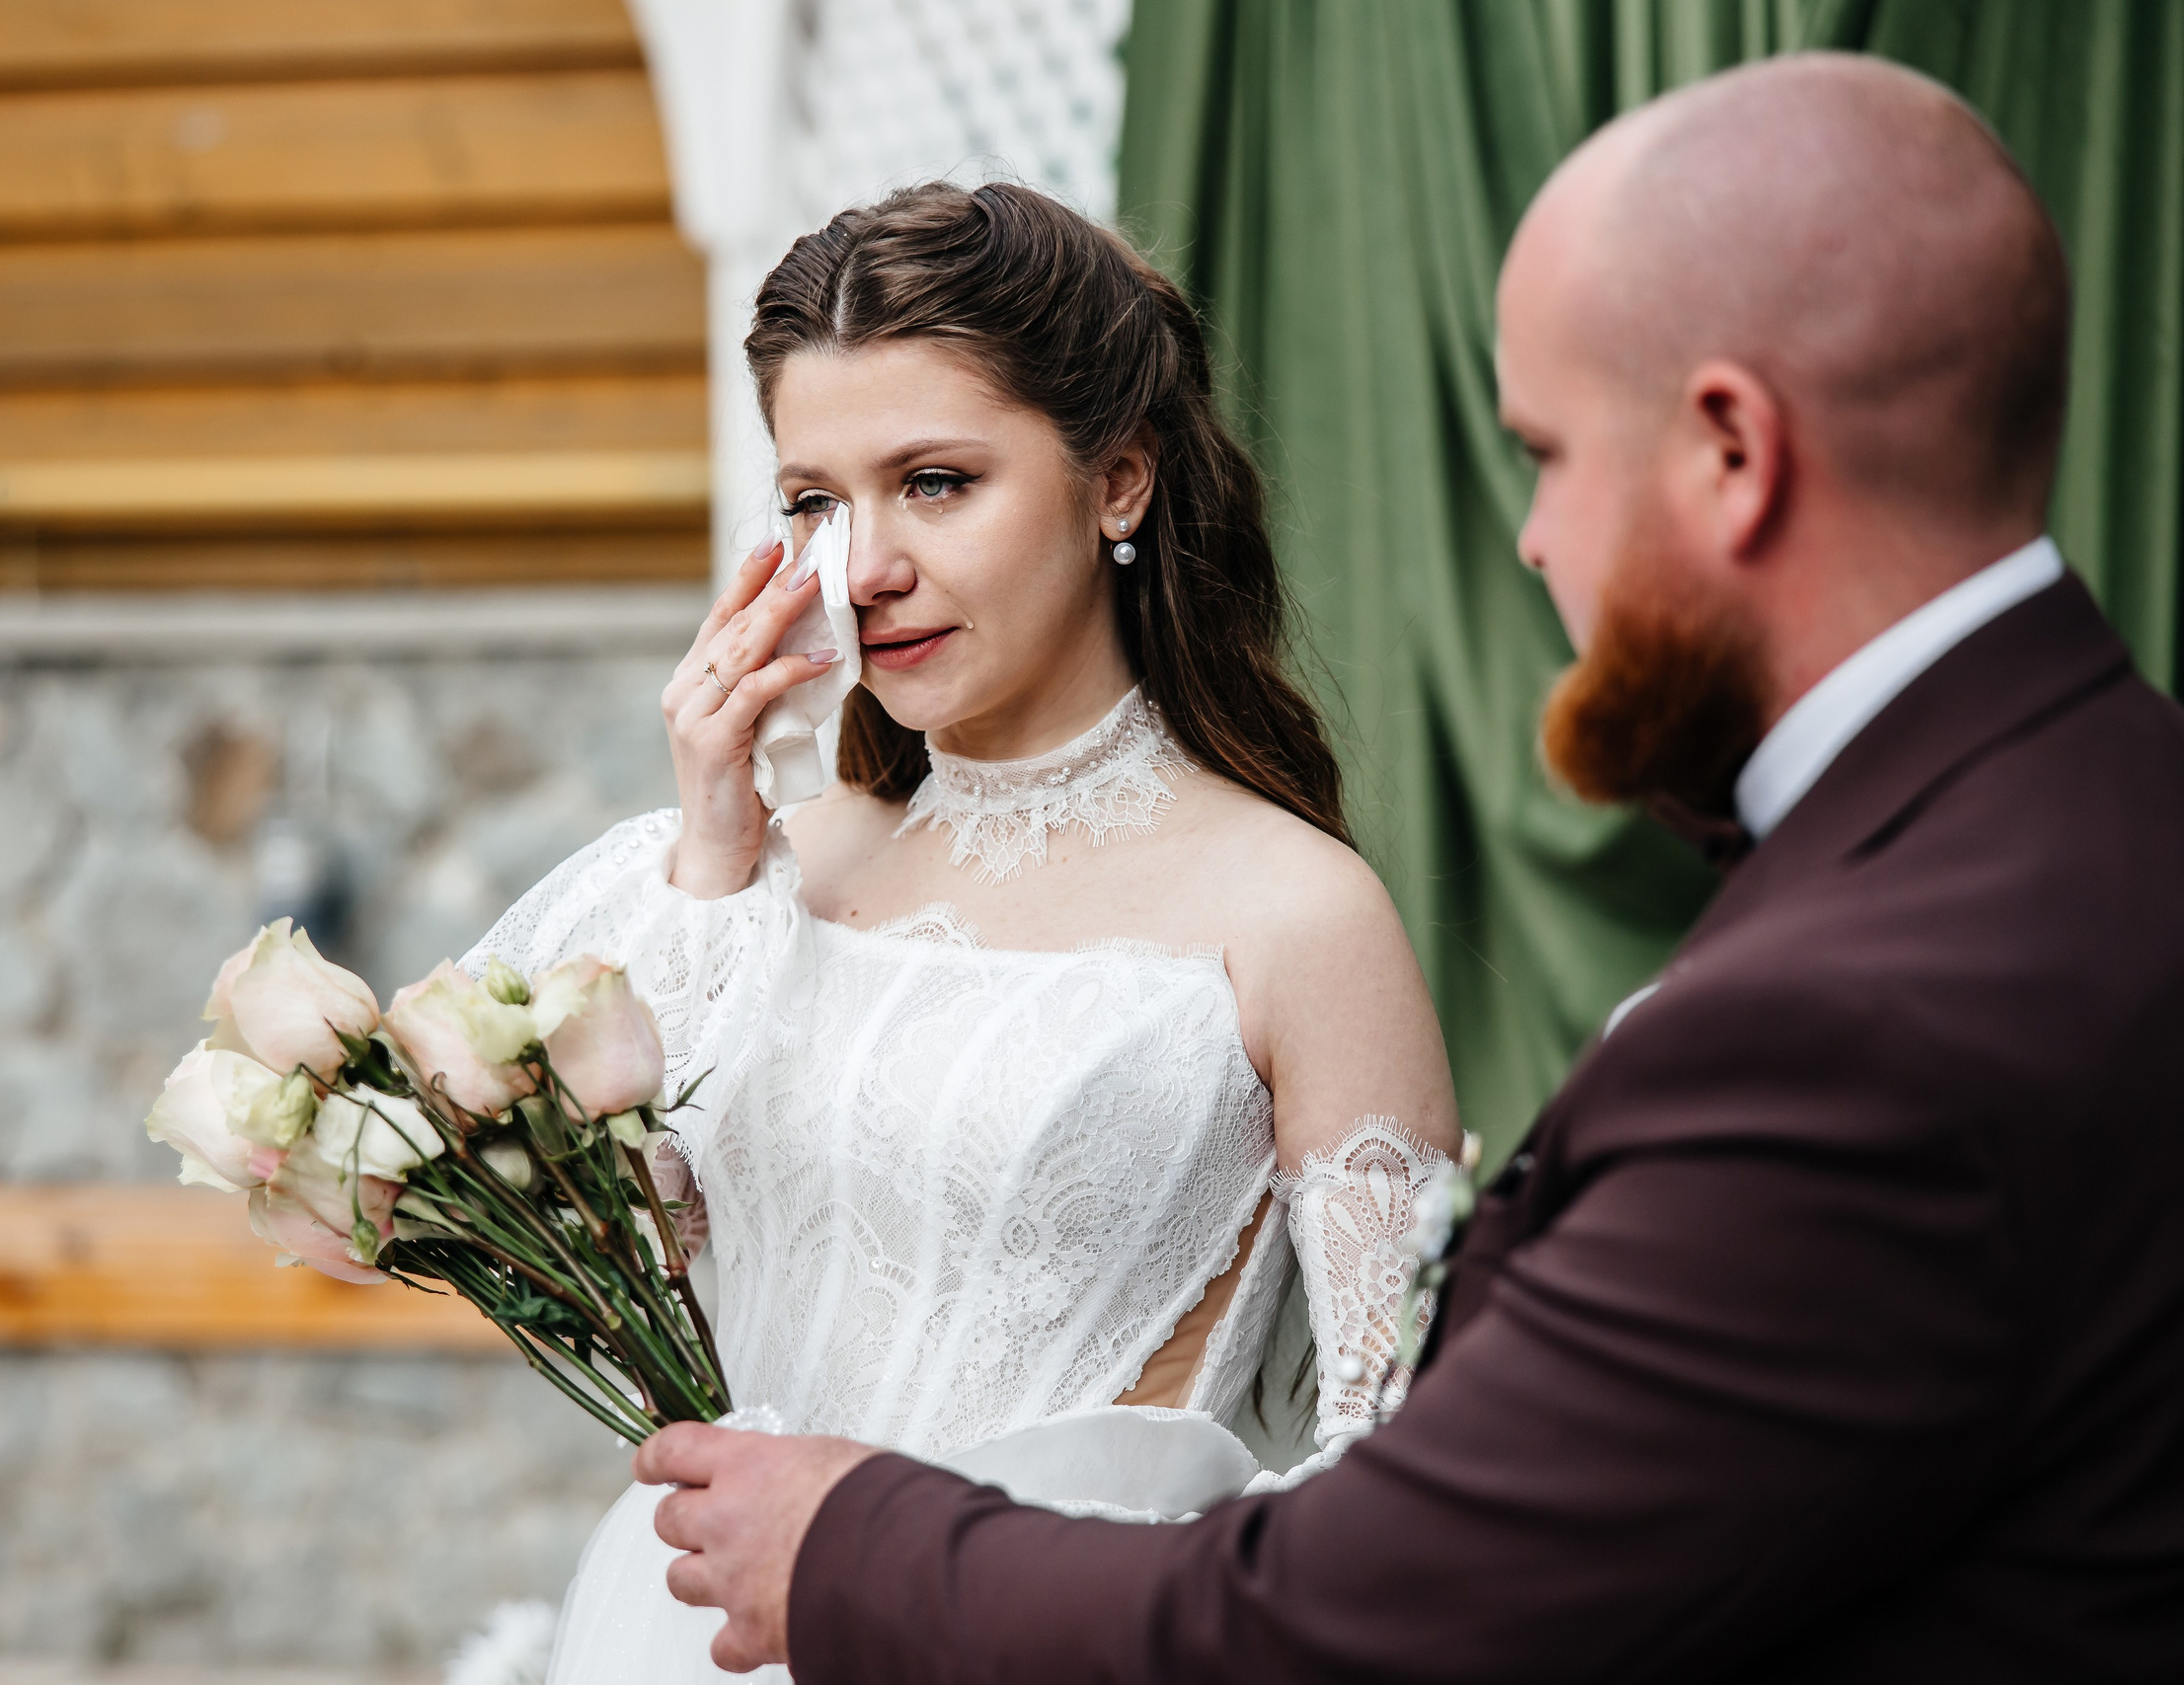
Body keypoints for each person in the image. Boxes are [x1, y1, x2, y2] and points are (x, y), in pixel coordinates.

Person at [632, 52, 2184, 1682]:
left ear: (1732, 450)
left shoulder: (1845, 1014)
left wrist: (855, 1546)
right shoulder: (2105, 820)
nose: (1529, 540)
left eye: (1550, 455)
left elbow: (1391, 1596)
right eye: (817, 497)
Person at [462, 181, 1464, 1683]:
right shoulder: (736, 886)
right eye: (815, 500)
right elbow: (610, 1283)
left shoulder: (1296, 915)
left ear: (1117, 482)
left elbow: (1404, 1471)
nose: (861, 569)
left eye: (934, 481)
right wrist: (716, 858)